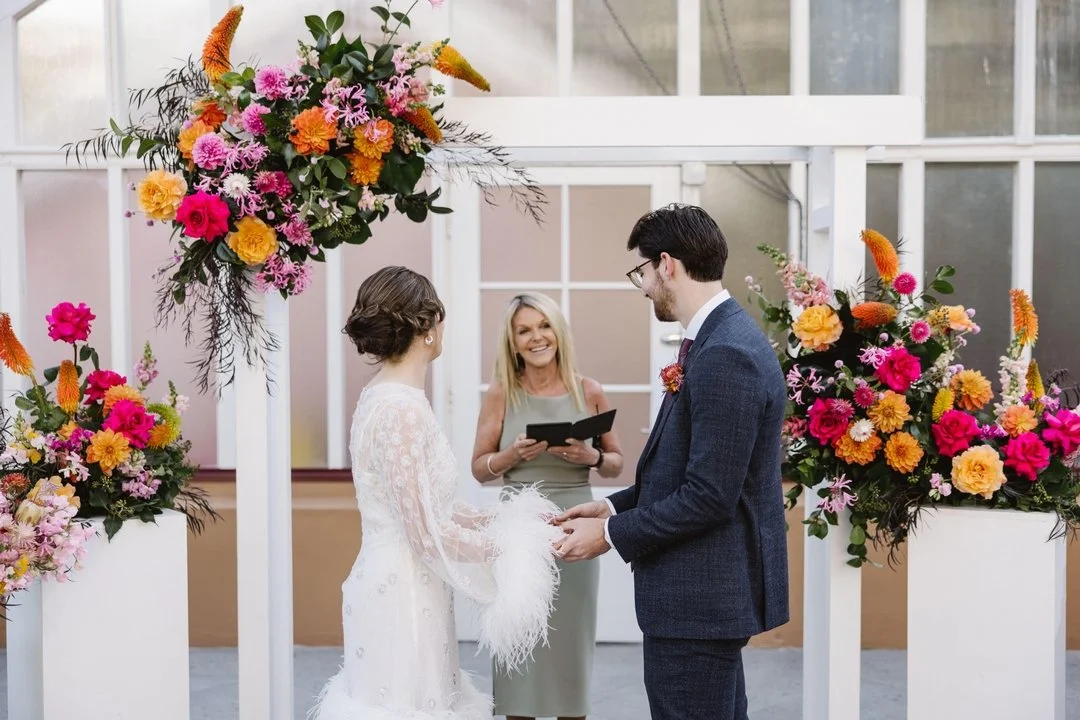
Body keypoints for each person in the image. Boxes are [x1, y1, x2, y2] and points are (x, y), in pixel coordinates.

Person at [554, 204, 790, 720]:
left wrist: (612, 537)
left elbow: (709, 496)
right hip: (704, 599)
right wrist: (612, 509)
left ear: (667, 264)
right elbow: (686, 472)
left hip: (700, 601)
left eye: (640, 272)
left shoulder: (726, 352)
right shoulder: (716, 339)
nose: (641, 288)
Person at [311, 266, 562, 720]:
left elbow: (435, 507)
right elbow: (426, 534)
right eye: (440, 317)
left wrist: (508, 520)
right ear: (425, 328)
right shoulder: (400, 409)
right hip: (402, 593)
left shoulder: (384, 396)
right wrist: (510, 551)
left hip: (407, 582)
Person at [471, 292, 624, 720]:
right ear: (513, 342)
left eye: (544, 326)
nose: (536, 337)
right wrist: (511, 456)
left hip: (576, 524)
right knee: (518, 640)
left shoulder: (589, 390)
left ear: (558, 332)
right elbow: (480, 469)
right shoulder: (501, 393)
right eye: (524, 330)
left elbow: (616, 463)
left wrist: (590, 457)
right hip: (518, 527)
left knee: (568, 644)